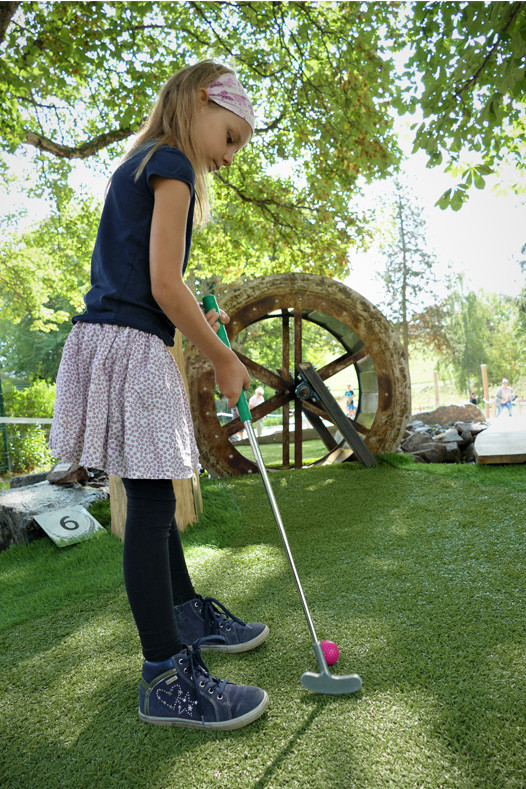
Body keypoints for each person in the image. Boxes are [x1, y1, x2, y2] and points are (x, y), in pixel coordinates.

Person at [49, 61, 269, 731]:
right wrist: (224, 358)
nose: (230, 158)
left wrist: (200, 307)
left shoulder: (145, 161)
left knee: (152, 490)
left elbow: (157, 275)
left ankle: (182, 613)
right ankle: (163, 675)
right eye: (230, 137)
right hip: (131, 343)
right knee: (150, 499)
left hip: (111, 337)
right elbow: (162, 284)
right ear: (202, 103)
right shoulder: (171, 161)